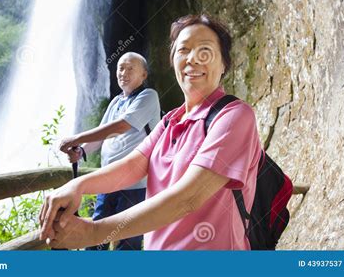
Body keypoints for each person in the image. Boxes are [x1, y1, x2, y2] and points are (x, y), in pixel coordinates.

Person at [40, 15, 262, 250]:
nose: (193, 59)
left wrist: (95, 232)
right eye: (183, 50)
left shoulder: (235, 116)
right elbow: (132, 166)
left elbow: (188, 198)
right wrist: (78, 186)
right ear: (172, 60)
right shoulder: (169, 121)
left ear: (224, 64)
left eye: (205, 50)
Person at [58, 51, 160, 250]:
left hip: (135, 186)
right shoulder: (116, 102)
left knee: (127, 242)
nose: (124, 72)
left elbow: (122, 125)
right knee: (94, 238)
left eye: (131, 68)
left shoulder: (149, 96)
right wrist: (81, 151)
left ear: (144, 75)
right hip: (107, 183)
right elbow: (102, 136)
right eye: (120, 68)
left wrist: (77, 138)